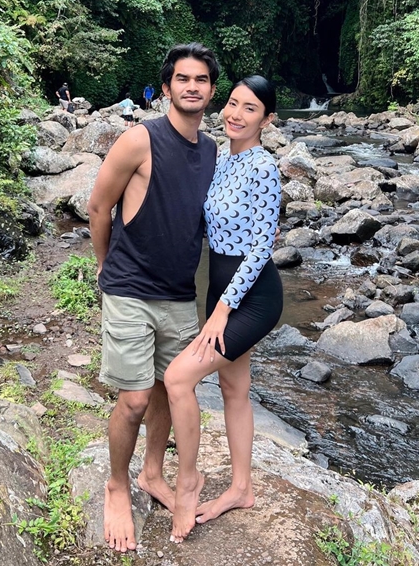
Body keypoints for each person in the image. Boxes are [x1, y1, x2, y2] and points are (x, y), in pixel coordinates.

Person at [86, 42, 220, 553]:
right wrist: (104, 268)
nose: (192, 86)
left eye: (201, 79)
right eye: (182, 78)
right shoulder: (140, 139)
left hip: (179, 295)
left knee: (171, 389)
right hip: (130, 290)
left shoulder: (211, 152)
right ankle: (116, 485)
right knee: (136, 397)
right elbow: (99, 207)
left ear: (211, 90)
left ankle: (151, 473)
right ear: (166, 88)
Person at [162, 75, 283, 543]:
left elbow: (258, 249)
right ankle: (242, 489)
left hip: (252, 296)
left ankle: (188, 484)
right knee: (234, 388)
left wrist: (221, 311)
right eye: (232, 103)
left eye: (249, 109)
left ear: (267, 120)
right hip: (220, 286)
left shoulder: (263, 167)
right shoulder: (220, 158)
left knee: (178, 378)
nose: (235, 113)